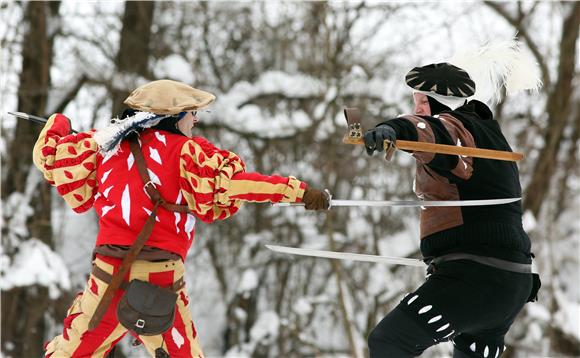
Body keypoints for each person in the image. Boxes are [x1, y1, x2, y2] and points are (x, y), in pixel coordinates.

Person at [34, 79, 329, 358]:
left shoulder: (105, 149)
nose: (195, 120)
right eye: (192, 113)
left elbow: (49, 155)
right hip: (160, 282)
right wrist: (300, 193)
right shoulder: (186, 152)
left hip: (107, 279)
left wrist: (60, 124)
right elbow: (238, 185)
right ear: (173, 117)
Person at [363, 61, 541, 357]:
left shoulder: (459, 129)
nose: (418, 108)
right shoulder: (489, 134)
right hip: (511, 282)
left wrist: (392, 128)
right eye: (414, 102)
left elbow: (432, 132)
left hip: (474, 277)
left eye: (422, 102)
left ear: (441, 103)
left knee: (389, 341)